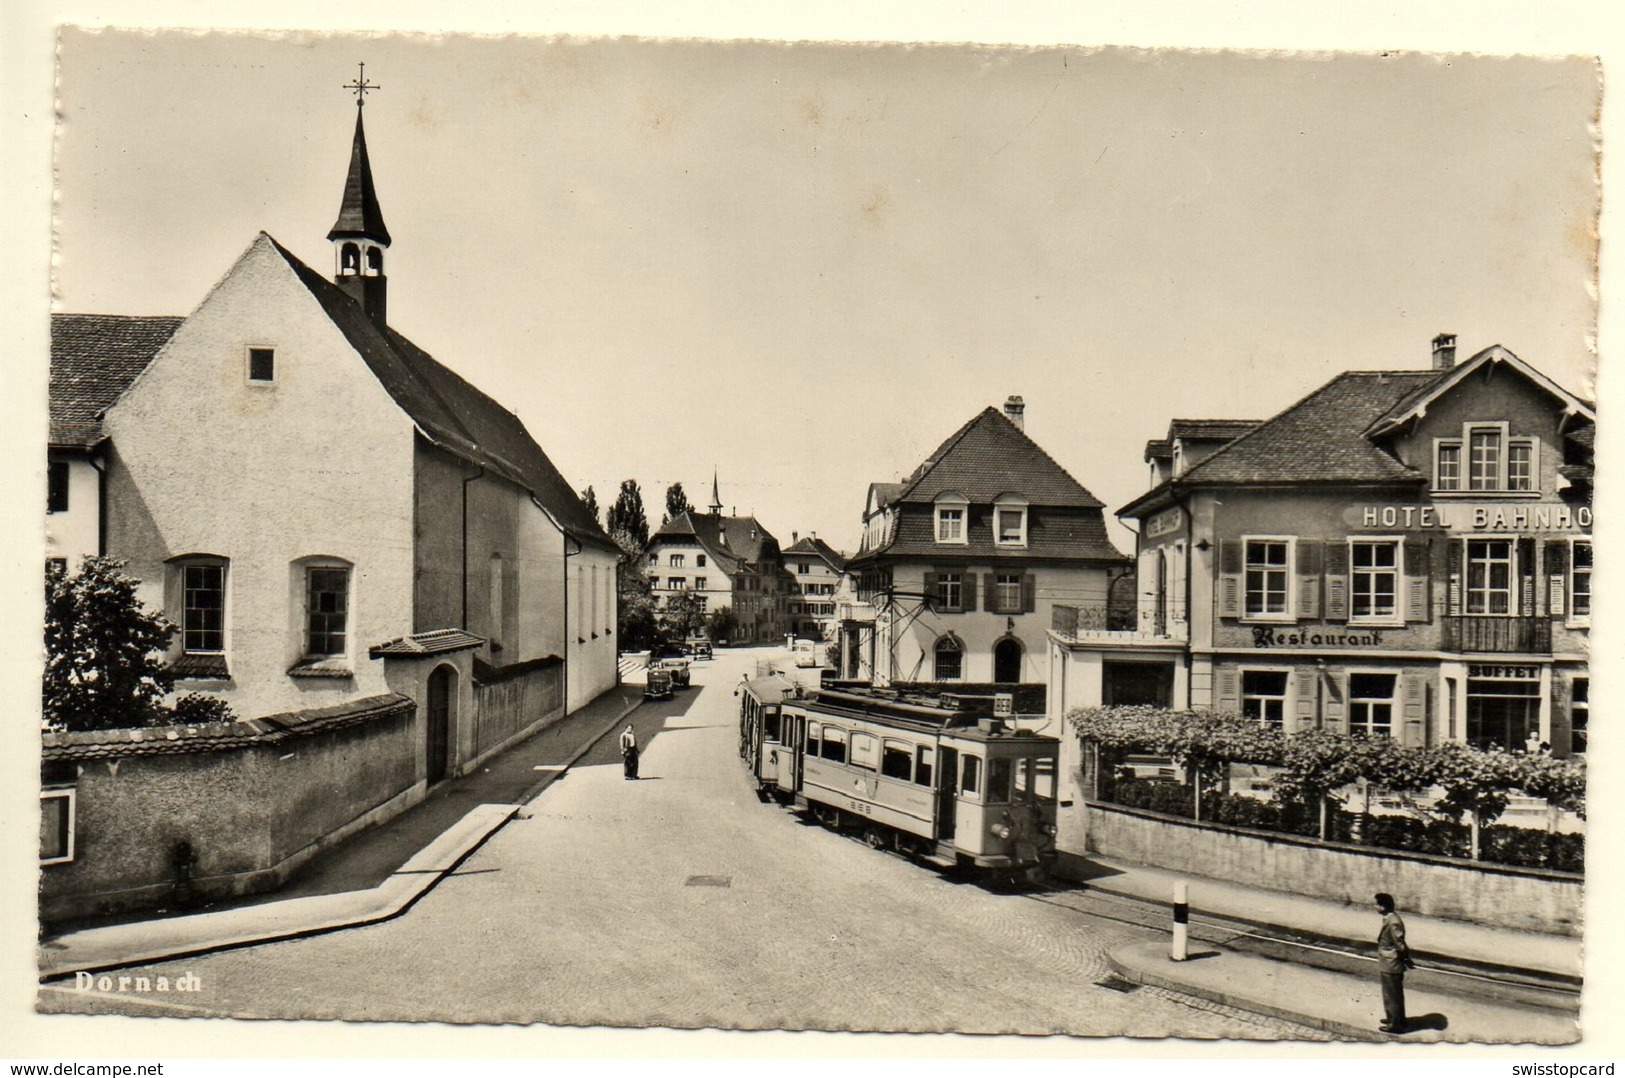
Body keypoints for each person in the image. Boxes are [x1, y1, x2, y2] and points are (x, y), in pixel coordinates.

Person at [1375, 892, 1415, 1033]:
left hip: (1391, 963)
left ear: (1384, 906)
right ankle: (1394, 1018)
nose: (1375, 906)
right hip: (1389, 961)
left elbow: (1399, 944)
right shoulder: (1390, 919)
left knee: (1391, 995)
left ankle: (1395, 1025)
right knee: (1393, 994)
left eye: (1377, 904)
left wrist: (1405, 959)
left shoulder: (1393, 922)